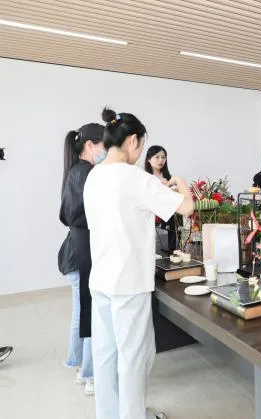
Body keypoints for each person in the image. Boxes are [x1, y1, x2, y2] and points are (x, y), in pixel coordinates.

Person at [84, 108, 194, 419]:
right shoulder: (136, 177)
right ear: (132, 141)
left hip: (101, 278)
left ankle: (108, 414)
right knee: (134, 357)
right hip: (129, 282)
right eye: (142, 146)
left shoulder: (94, 175)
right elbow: (187, 208)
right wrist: (182, 184)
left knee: (105, 354)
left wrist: (159, 191)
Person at [58, 122, 106, 396]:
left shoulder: (77, 171)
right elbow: (87, 216)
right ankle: (89, 375)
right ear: (90, 145)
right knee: (90, 315)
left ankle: (78, 366)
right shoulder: (87, 173)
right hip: (81, 253)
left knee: (81, 312)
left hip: (75, 252)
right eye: (104, 145)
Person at [145, 146, 177, 251]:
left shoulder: (169, 178)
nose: (161, 160)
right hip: (150, 219)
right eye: (157, 157)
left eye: (163, 157)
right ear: (149, 159)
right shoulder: (145, 178)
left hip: (169, 220)